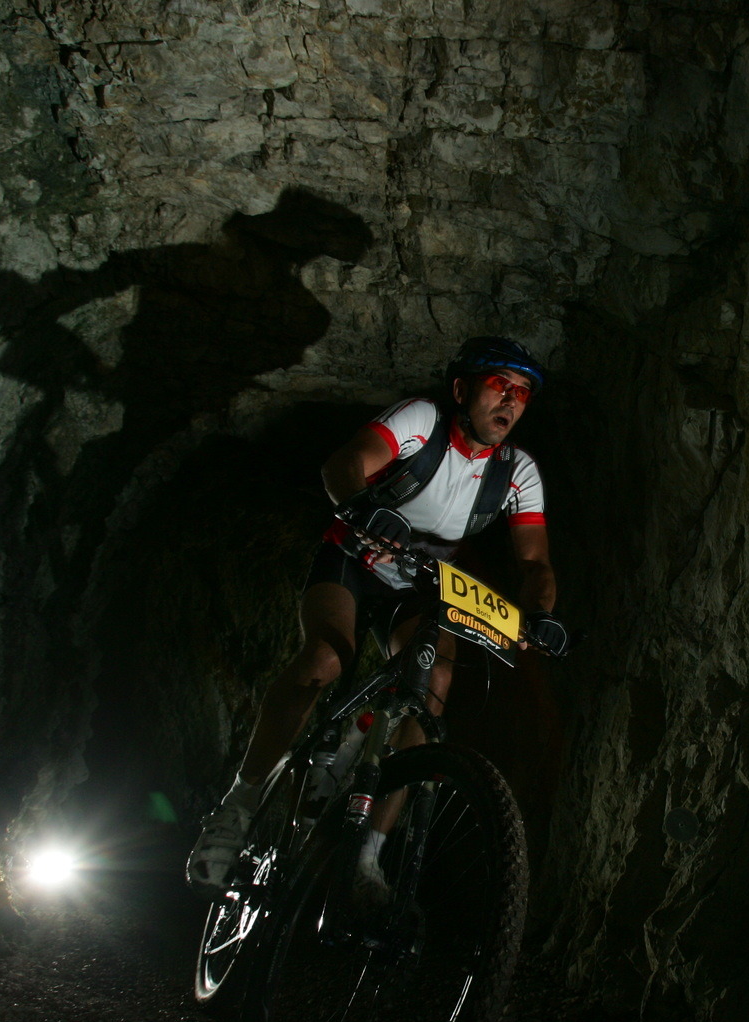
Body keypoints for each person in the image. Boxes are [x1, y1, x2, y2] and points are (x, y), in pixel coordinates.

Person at [186, 336, 570, 894]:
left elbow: (535, 564)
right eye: (499, 385)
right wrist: (365, 506)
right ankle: (238, 805)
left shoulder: (517, 471)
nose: (511, 400)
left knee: (434, 681)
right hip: (352, 561)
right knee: (324, 660)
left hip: (418, 584)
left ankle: (370, 852)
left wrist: (541, 615)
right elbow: (345, 464)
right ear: (461, 390)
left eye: (523, 393)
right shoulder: (422, 421)